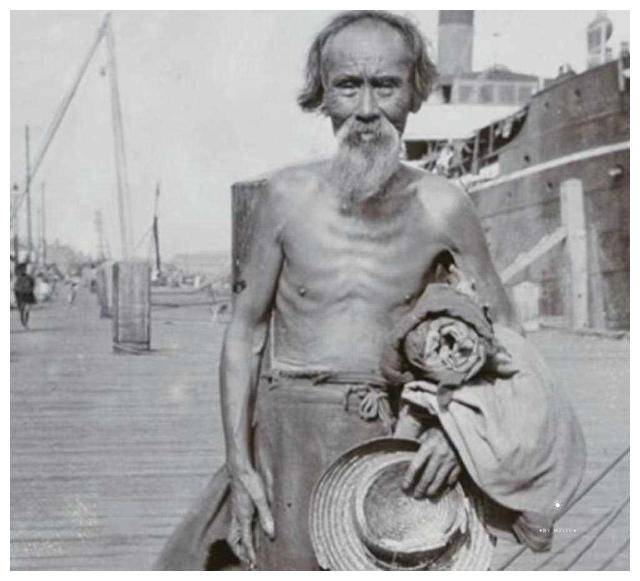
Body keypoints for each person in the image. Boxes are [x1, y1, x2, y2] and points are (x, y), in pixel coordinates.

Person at [156, 11, 584, 571]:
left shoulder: (444, 205)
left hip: (399, 439)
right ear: (322, 94)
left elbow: (508, 339)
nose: (365, 110)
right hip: (289, 440)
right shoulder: (284, 197)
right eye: (347, 86)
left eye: (385, 86)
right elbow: (245, 333)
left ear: (414, 93)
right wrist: (240, 467)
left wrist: (461, 435)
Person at [13, 262, 36, 328]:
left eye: (24, 269)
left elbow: (33, 285)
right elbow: (15, 288)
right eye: (23, 269)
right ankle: (24, 322)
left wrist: (30, 289)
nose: (24, 270)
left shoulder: (29, 277)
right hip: (21, 295)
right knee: (22, 309)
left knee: (27, 309)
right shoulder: (18, 278)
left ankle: (25, 322)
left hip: (28, 294)